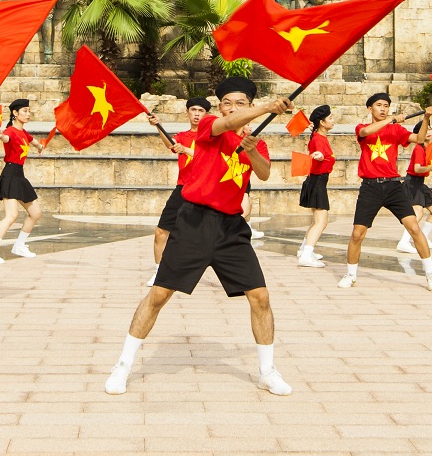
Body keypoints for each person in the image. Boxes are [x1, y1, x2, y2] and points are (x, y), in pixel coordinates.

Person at [104, 76, 293, 396]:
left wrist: (250, 151)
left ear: (247, 104)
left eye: (241, 103)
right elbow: (228, 123)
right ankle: (122, 365)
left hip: (231, 227)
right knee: (159, 295)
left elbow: (262, 172)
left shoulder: (255, 141)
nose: (233, 108)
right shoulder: (209, 124)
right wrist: (265, 108)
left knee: (260, 297)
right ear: (220, 107)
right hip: (194, 222)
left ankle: (267, 371)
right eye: (227, 103)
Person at [338, 92, 432, 292]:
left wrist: (425, 118)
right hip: (370, 187)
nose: (383, 109)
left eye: (386, 106)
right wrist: (391, 120)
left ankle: (430, 273)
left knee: (414, 228)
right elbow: (366, 132)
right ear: (370, 109)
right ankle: (351, 274)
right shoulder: (362, 128)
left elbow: (418, 138)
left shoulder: (396, 130)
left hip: (393, 186)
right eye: (379, 105)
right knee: (357, 234)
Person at [146, 96, 211, 285]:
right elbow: (170, 143)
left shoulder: (211, 138)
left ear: (207, 115)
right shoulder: (183, 136)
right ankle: (160, 272)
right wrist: (158, 126)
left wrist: (186, 150)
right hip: (183, 188)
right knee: (161, 232)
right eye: (194, 110)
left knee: (209, 237)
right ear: (188, 112)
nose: (197, 114)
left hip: (204, 190)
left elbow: (209, 157)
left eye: (201, 111)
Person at [0, 99, 44, 263]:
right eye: (24, 111)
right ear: (15, 113)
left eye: (29, 111)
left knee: (35, 213)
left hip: (19, 175)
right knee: (11, 215)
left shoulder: (24, 133)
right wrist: (0, 135)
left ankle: (19, 245)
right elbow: (6, 138)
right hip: (10, 174)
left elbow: (34, 142)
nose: (28, 114)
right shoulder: (10, 131)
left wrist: (40, 147)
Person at [296, 104, 336, 268]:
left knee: (317, 220)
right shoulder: (318, 139)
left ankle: (304, 250)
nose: (333, 120)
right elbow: (318, 153)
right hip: (317, 181)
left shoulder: (321, 138)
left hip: (318, 181)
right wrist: (318, 155)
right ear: (322, 122)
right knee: (322, 221)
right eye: (330, 118)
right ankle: (306, 255)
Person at [397, 123, 432, 254]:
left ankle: (425, 237)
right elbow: (417, 169)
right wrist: (431, 168)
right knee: (417, 213)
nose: (428, 131)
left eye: (430, 129)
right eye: (425, 130)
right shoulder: (419, 148)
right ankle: (404, 241)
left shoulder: (429, 148)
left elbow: (425, 168)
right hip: (412, 182)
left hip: (420, 183)